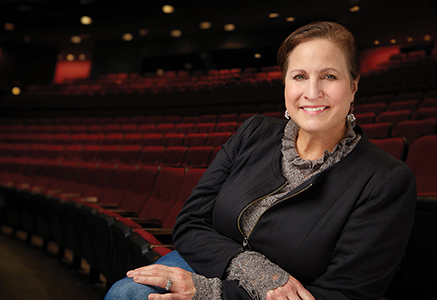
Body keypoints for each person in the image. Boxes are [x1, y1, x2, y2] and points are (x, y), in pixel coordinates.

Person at [105, 21, 416, 300]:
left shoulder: (386, 179)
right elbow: (189, 222)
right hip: (211, 261)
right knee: (127, 293)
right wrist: (259, 273)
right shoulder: (254, 131)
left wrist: (212, 293)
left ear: (354, 85)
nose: (312, 91)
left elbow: (346, 292)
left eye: (329, 76)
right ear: (285, 85)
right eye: (299, 76)